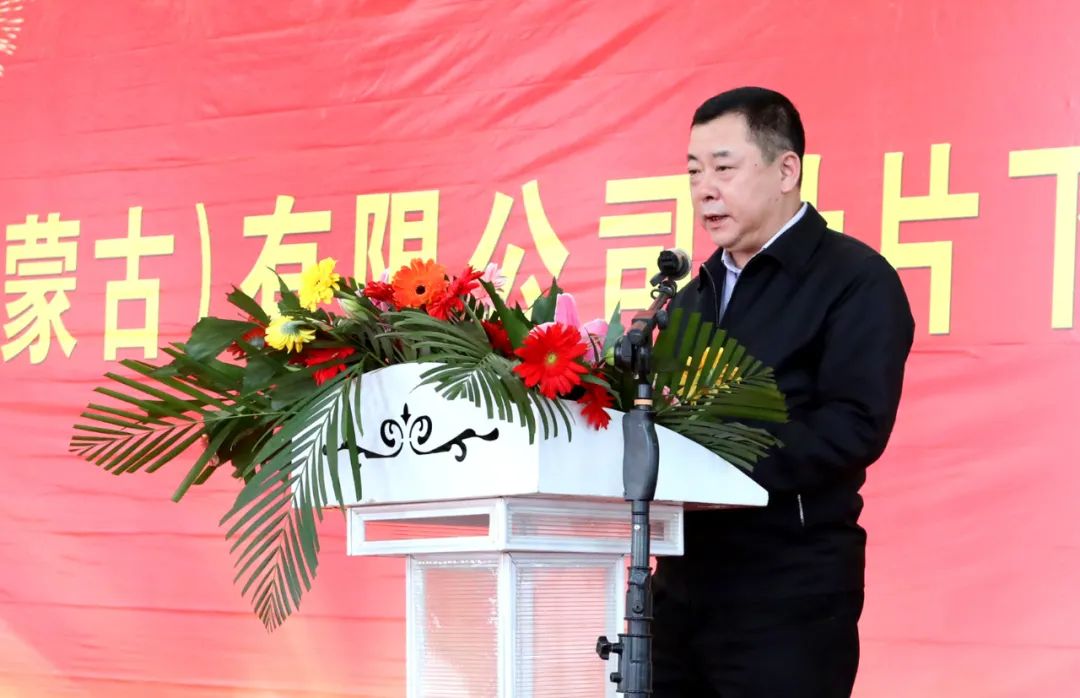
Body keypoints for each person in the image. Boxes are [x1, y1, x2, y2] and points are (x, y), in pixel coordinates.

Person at [656, 86, 915, 697]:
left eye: (723, 168)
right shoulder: (690, 298)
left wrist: (724, 460)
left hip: (789, 594)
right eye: (693, 172)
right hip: (678, 590)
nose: (704, 189)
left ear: (786, 170)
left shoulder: (855, 280)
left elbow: (854, 426)